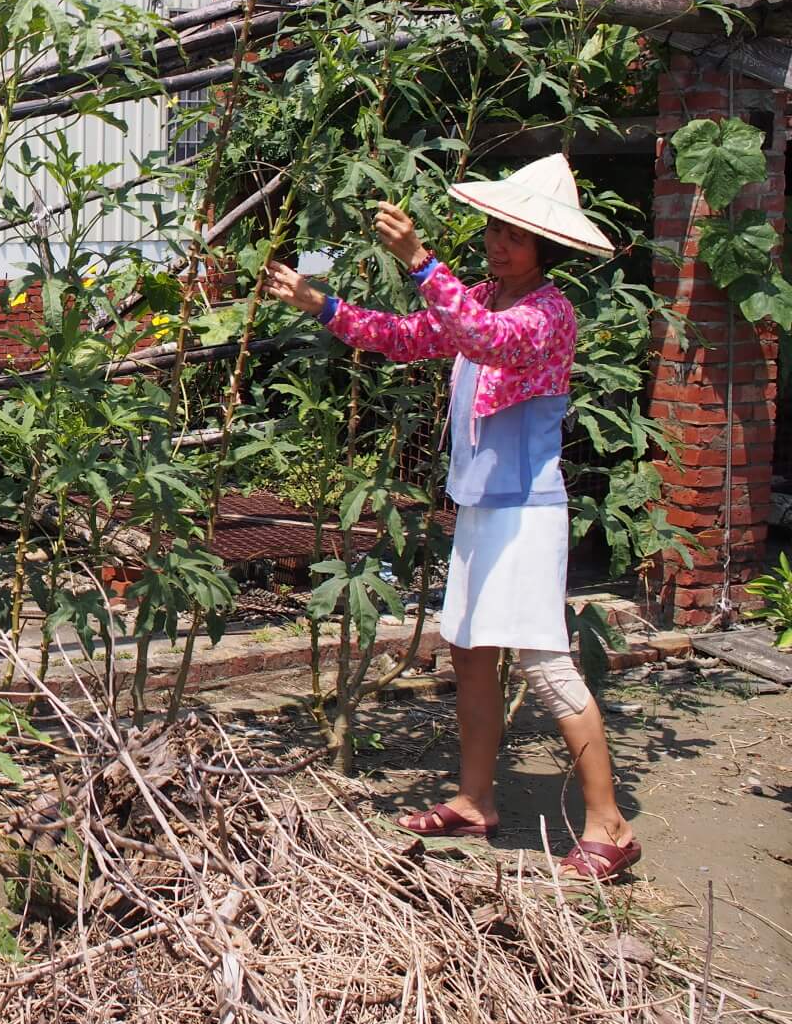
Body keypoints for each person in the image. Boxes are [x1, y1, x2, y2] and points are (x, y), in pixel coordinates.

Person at [260, 153, 640, 880]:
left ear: (546, 251)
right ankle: (475, 800)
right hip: (481, 507)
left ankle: (610, 825)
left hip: (526, 511)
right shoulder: (486, 299)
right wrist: (321, 305)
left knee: (545, 662)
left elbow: (481, 340)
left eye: (517, 237)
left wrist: (421, 261)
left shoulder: (545, 315)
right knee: (468, 650)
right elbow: (411, 337)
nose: (500, 244)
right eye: (496, 229)